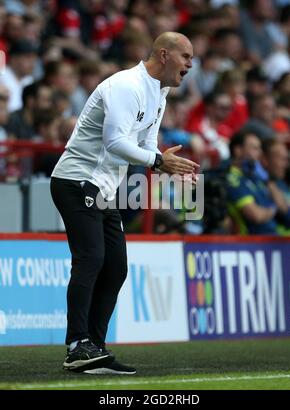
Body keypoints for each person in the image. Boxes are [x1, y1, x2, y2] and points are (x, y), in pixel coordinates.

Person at [50, 31, 198, 375]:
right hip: (76, 180)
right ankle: (77, 346)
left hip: (103, 187)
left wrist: (163, 160)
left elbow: (145, 143)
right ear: (164, 54)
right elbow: (115, 141)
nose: (191, 64)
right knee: (92, 258)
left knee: (115, 266)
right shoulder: (126, 86)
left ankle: (94, 348)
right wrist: (159, 162)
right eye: (186, 57)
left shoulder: (158, 92)